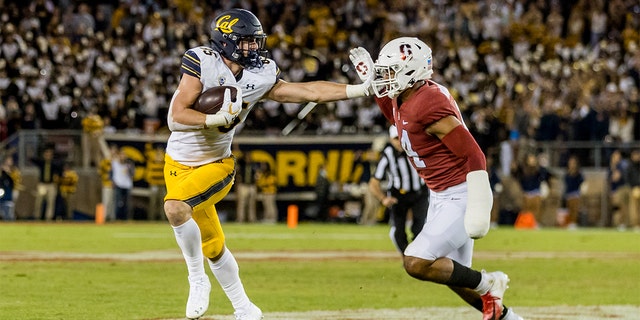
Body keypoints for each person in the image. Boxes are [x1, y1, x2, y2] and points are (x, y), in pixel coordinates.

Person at [163, 8, 373, 320]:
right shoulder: (202, 61)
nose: (255, 48)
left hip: (217, 164)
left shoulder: (259, 74)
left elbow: (307, 91)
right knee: (214, 245)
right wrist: (213, 118)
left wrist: (360, 89)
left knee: (176, 208)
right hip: (176, 162)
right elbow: (175, 117)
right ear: (228, 41)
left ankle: (197, 279)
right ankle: (245, 309)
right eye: (248, 42)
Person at [349, 37, 523, 320]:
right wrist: (374, 85)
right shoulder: (406, 97)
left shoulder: (427, 103)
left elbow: (474, 155)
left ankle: (490, 283)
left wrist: (479, 204)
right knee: (452, 275)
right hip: (440, 193)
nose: (384, 78)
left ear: (411, 72)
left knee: (416, 262)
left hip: (460, 194)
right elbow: (398, 119)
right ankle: (509, 317)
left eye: (390, 72)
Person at [369, 125, 428, 254]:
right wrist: (383, 199)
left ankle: (419, 258)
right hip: (398, 196)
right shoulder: (388, 154)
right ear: (391, 140)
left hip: (420, 193)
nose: (400, 141)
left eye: (402, 137)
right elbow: (373, 182)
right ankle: (407, 257)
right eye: (396, 138)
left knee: (420, 229)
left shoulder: (417, 148)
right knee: (398, 232)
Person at [31, 145, 62, 221]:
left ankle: (49, 218)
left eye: (50, 154)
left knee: (51, 202)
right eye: (46, 154)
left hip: (51, 184)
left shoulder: (54, 164)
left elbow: (60, 170)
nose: (48, 156)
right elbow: (33, 159)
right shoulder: (42, 163)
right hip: (42, 184)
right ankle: (37, 217)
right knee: (39, 201)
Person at [111, 146, 134, 220]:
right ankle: (117, 218)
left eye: (124, 155)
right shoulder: (115, 163)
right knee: (118, 203)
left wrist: (129, 169)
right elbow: (111, 173)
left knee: (127, 204)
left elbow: (132, 174)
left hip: (127, 185)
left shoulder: (129, 164)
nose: (123, 156)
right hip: (118, 185)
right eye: (121, 155)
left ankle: (126, 219)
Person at [235, 150, 258, 223]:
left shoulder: (253, 166)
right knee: (241, 203)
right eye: (247, 157)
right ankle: (240, 219)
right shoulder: (241, 166)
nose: (249, 158)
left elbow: (256, 177)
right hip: (243, 185)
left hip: (251, 185)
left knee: (252, 204)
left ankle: (252, 219)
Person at [561, 155, 584, 229]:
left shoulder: (579, 174)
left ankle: (574, 222)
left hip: (576, 193)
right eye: (570, 163)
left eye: (573, 163)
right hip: (568, 194)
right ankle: (570, 222)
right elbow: (567, 184)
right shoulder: (567, 174)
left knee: (575, 205)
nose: (572, 164)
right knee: (570, 206)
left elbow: (582, 183)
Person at [145, 143, 166, 220]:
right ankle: (151, 218)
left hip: (162, 184)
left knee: (163, 202)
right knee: (153, 202)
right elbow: (147, 151)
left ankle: (163, 218)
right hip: (153, 183)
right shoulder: (151, 158)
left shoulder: (164, 159)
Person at [625, 149, 640, 231]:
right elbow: (627, 179)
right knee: (634, 205)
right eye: (636, 154)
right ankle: (635, 224)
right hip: (633, 188)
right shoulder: (629, 166)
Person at [0, 155, 17, 221]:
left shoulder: (9, 174)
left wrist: (8, 173)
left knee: (9, 213)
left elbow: (12, 183)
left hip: (7, 197)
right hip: (1, 198)